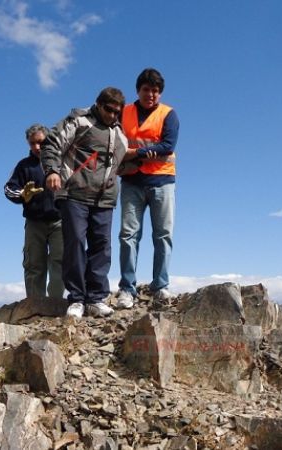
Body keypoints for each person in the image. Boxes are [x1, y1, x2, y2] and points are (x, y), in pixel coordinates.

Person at [41, 87, 128, 319]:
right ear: (98, 104)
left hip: (105, 199)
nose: (112, 115)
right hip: (74, 194)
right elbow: (51, 143)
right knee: (75, 244)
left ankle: (96, 298)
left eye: (117, 112)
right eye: (108, 110)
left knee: (102, 247)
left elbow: (120, 163)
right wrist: (52, 170)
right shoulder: (79, 121)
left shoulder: (120, 134)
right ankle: (77, 299)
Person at [116, 68, 180, 309]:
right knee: (128, 235)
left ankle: (160, 286)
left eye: (155, 91)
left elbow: (167, 145)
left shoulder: (169, 114)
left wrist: (136, 152)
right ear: (138, 90)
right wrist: (145, 151)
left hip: (162, 181)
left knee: (163, 235)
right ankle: (127, 288)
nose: (151, 94)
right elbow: (115, 141)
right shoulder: (125, 112)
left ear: (160, 93)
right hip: (132, 181)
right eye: (146, 90)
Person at [4, 124, 64, 300]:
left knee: (59, 263)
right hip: (34, 222)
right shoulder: (24, 166)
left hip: (60, 221)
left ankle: (55, 304)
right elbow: (9, 189)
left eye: (40, 142)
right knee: (33, 264)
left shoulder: (61, 161)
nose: (37, 147)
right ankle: (35, 305)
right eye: (32, 143)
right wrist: (23, 194)